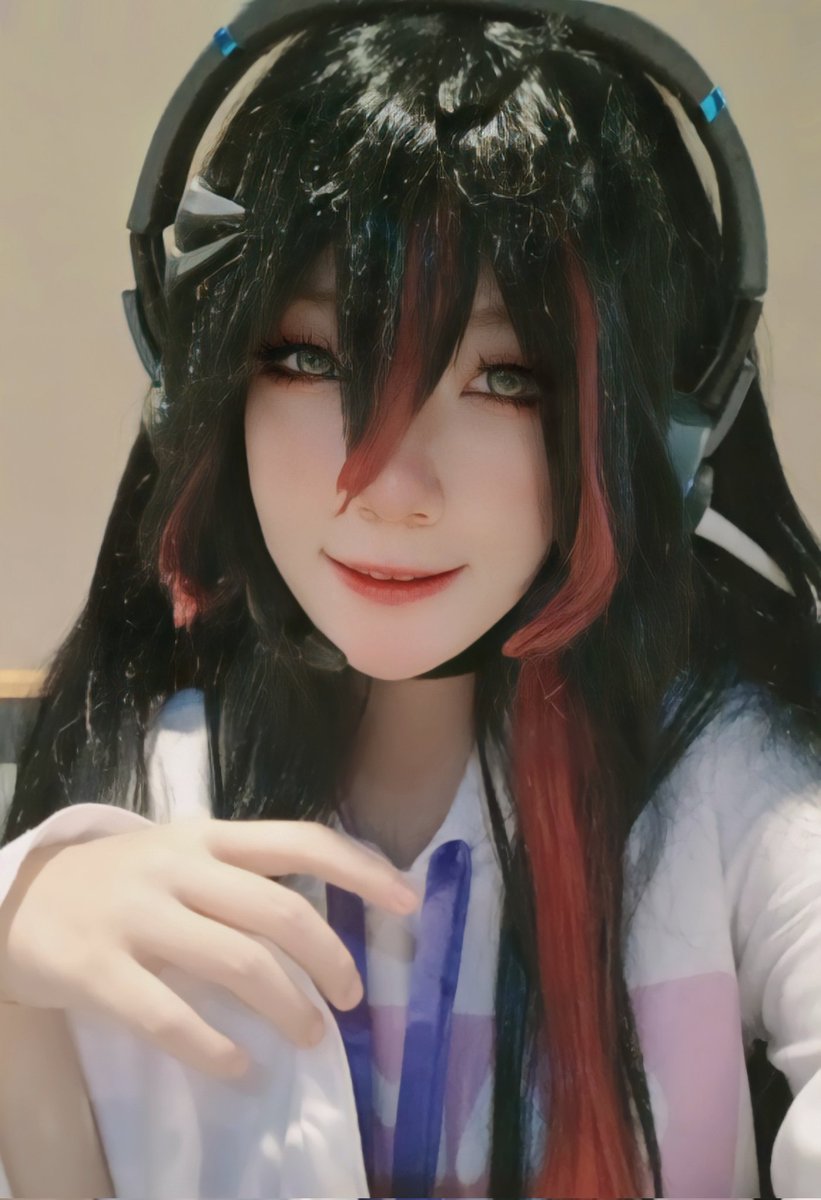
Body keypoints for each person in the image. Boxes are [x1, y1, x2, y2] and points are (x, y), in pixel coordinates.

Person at [1, 5, 820, 1197]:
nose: (387, 487)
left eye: (505, 378)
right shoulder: (145, 790)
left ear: (653, 430)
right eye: (311, 359)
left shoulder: (724, 787)